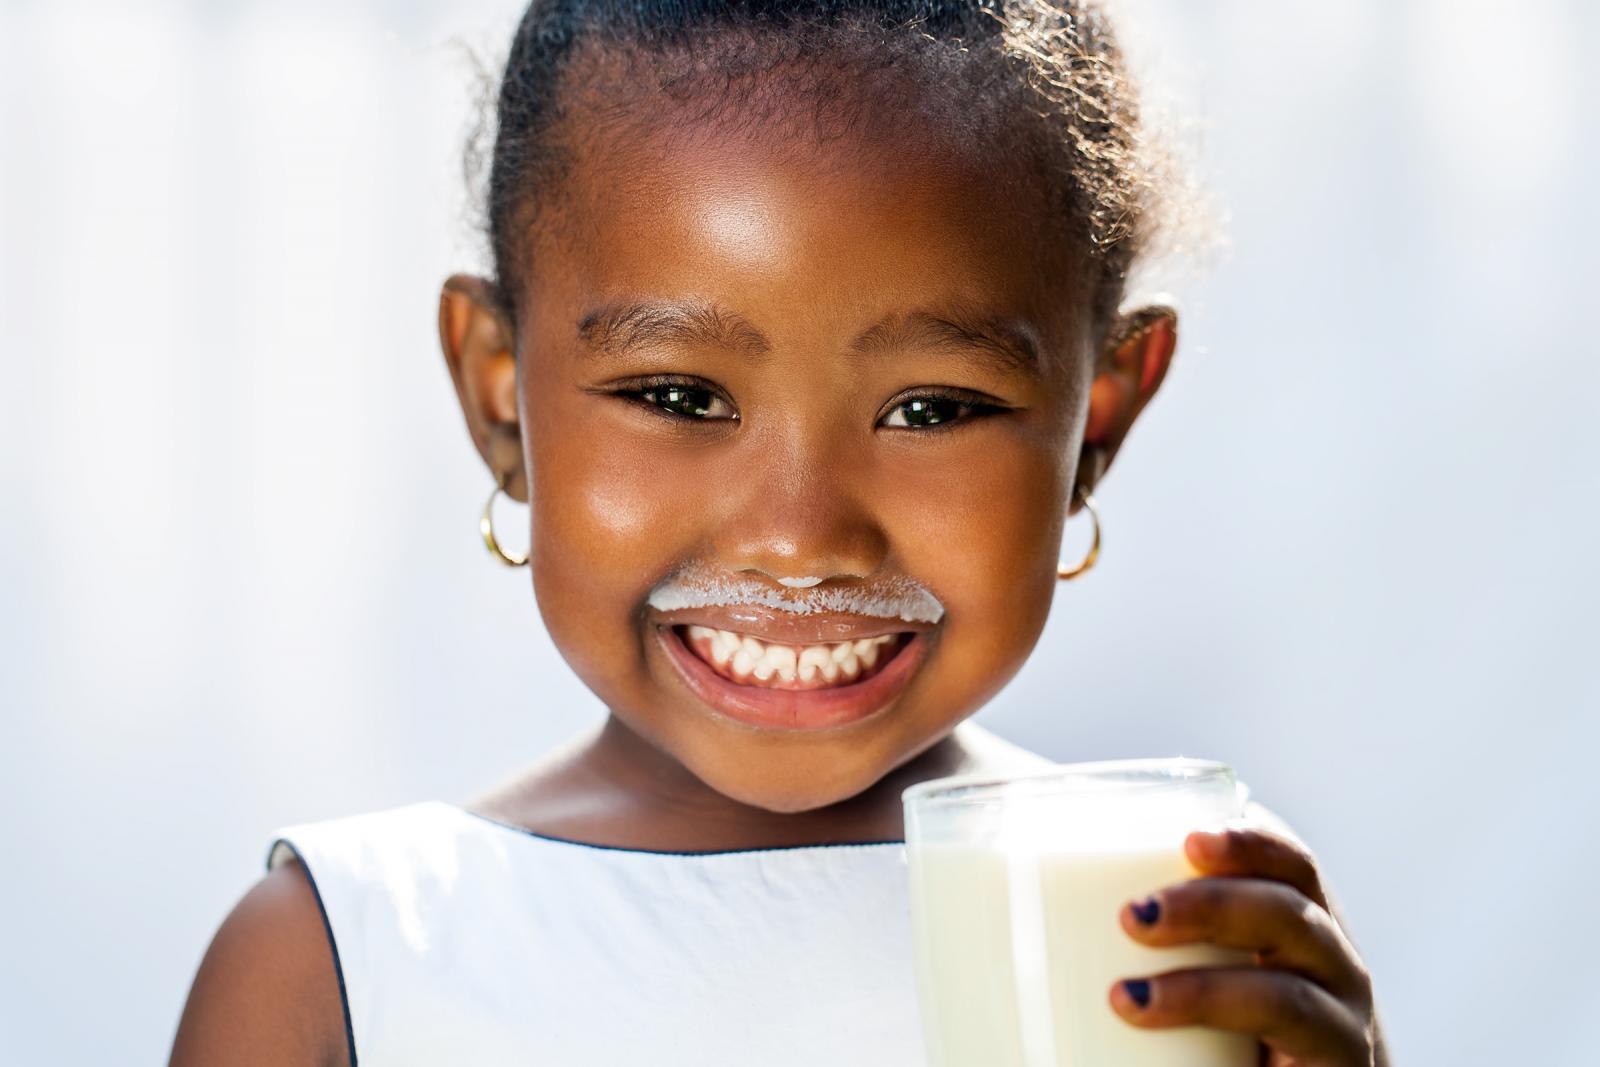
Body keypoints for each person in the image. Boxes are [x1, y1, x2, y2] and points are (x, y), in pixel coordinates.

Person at [172, 2, 1387, 1064]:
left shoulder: (1185, 918)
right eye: (678, 397)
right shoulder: (345, 956)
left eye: (931, 408)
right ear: (500, 395)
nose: (800, 540)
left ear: (1096, 422)